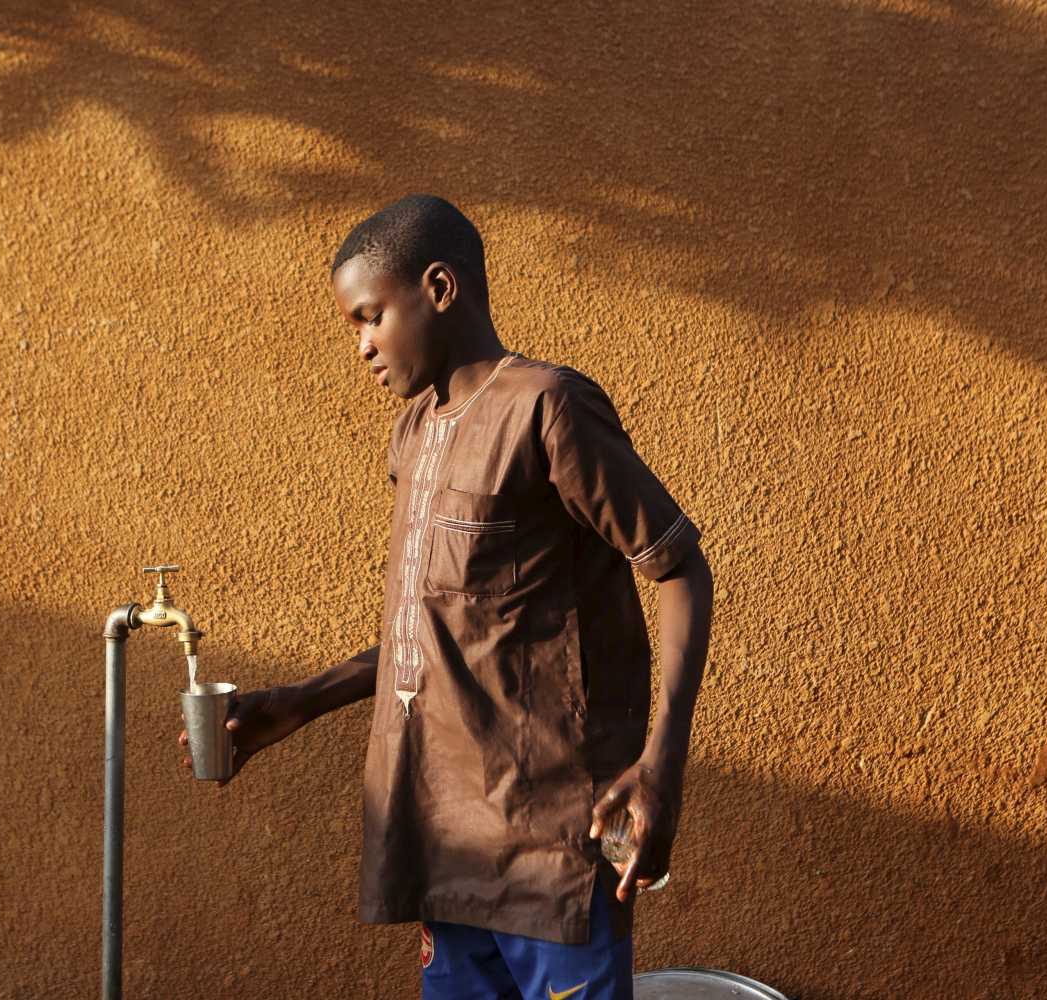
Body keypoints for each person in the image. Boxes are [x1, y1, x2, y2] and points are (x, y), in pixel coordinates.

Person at [180, 195, 713, 1000]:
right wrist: (302, 701)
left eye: (370, 317)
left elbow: (681, 571)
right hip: (442, 839)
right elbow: (435, 622)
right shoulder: (414, 434)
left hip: (551, 843)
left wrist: (660, 766)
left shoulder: (548, 409)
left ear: (439, 287)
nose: (361, 345)